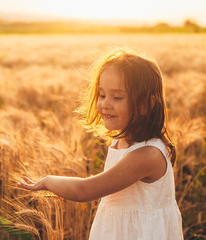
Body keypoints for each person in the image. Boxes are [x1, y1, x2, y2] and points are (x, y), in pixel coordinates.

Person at [17, 47, 183, 240]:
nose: (105, 104)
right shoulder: (121, 141)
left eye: (117, 97)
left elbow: (85, 190)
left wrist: (48, 181)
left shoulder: (148, 155)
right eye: (102, 95)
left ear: (146, 104)